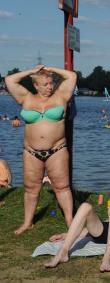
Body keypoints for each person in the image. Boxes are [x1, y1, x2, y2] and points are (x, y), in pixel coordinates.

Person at [5, 65, 76, 235]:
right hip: (31, 152)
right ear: (36, 85)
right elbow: (9, 80)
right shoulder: (26, 98)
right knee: (31, 188)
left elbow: (71, 76)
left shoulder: (61, 96)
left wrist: (49, 68)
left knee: (62, 187)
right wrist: (32, 71)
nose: (50, 87)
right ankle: (27, 222)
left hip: (56, 150)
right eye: (45, 84)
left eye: (51, 83)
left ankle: (70, 221)